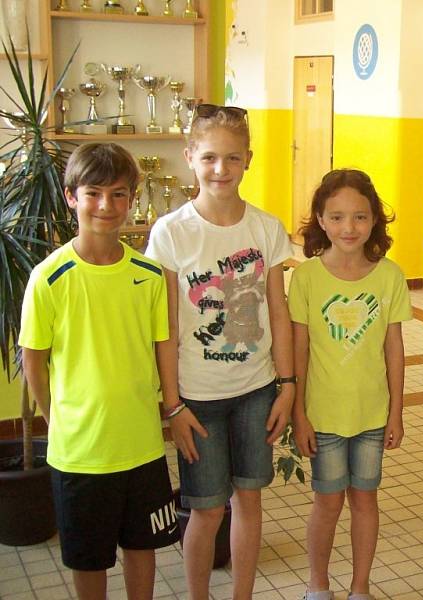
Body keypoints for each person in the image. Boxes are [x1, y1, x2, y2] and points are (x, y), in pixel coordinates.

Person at [145, 104, 295, 599]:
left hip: (257, 390)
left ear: (248, 159)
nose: (220, 170)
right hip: (197, 398)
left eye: (232, 158)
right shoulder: (171, 232)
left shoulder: (267, 229)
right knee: (207, 510)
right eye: (209, 157)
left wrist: (288, 386)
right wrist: (173, 405)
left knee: (249, 501)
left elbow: (278, 312)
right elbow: (164, 329)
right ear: (189, 157)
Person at [19, 143, 179, 600]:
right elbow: (34, 360)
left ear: (133, 199)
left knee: (142, 546)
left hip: (142, 447)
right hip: (80, 453)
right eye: (93, 193)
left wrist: (171, 407)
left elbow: (161, 346)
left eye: (119, 194)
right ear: (71, 197)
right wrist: (57, 421)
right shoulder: (49, 278)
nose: (106, 206)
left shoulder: (149, 276)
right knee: (89, 558)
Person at [289, 169, 412, 600]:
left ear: (375, 220)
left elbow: (394, 349)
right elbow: (298, 349)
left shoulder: (389, 276)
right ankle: (317, 585)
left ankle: (360, 587)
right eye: (337, 217)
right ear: (320, 220)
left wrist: (396, 410)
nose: (349, 227)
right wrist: (297, 413)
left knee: (365, 501)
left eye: (360, 217)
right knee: (327, 503)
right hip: (322, 415)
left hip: (371, 415)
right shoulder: (305, 277)